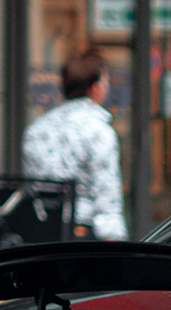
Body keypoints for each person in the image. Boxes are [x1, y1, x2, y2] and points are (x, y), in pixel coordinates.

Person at [22, 51, 127, 240]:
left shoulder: (37, 128)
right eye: (105, 82)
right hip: (83, 234)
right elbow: (106, 196)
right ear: (95, 88)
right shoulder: (98, 131)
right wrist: (115, 243)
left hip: (40, 232)